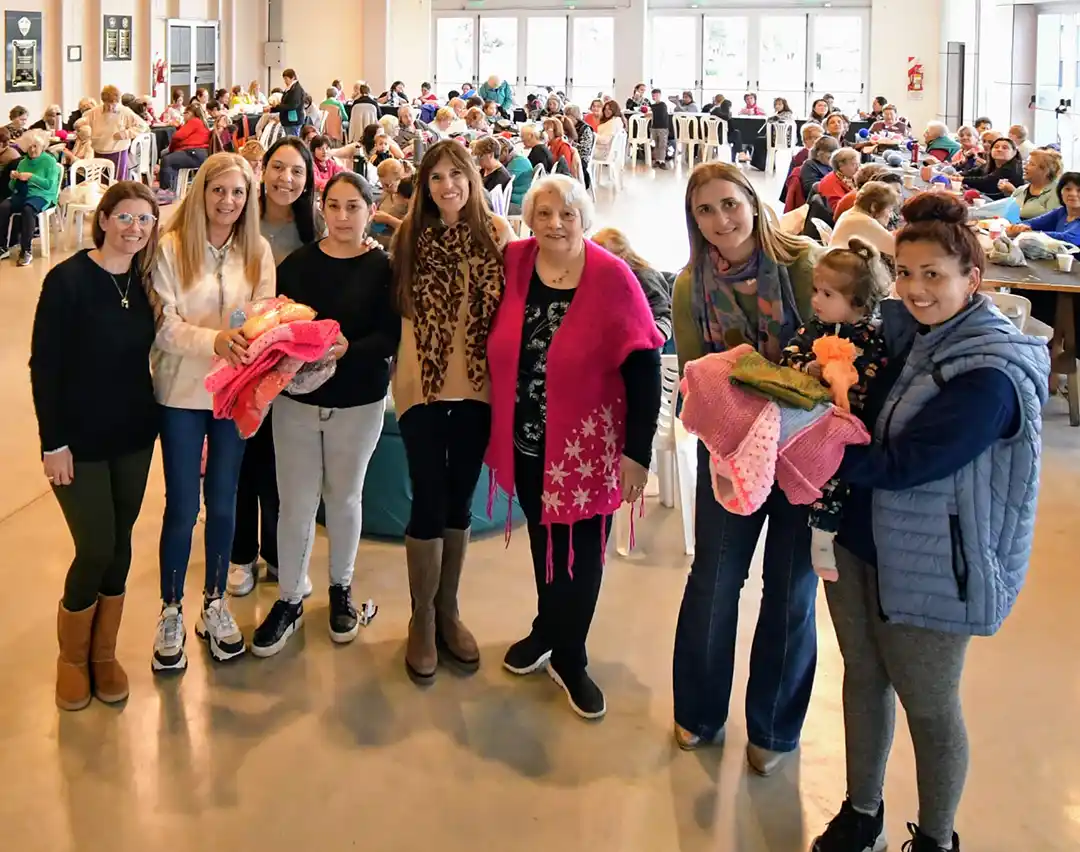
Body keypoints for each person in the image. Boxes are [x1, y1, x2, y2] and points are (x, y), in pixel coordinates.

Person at [811, 192, 1048, 852]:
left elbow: (909, 461)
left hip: (932, 567)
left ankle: (938, 838)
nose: (917, 290)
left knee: (930, 706)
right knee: (862, 679)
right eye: (906, 273)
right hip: (859, 543)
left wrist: (812, 445)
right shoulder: (907, 333)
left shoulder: (988, 373)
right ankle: (863, 811)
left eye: (934, 275)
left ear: (973, 279)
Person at [487, 176, 662, 718]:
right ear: (529, 219)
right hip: (529, 436)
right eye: (543, 214)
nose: (555, 224)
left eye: (567, 214)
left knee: (582, 551)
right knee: (544, 538)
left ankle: (571, 652)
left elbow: (645, 366)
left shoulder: (612, 278)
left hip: (590, 445)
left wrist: (638, 451)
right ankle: (547, 627)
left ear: (584, 217)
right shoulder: (517, 262)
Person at [671, 161, 819, 773]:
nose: (721, 221)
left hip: (805, 451)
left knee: (790, 589)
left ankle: (774, 730)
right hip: (732, 450)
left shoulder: (803, 264)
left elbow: (840, 350)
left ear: (752, 201)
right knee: (714, 579)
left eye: (729, 204)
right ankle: (700, 711)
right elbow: (695, 384)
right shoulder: (689, 286)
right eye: (705, 211)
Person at [251, 172, 397, 656]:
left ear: (370, 213)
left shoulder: (383, 270)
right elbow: (277, 325)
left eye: (353, 207)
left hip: (358, 401)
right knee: (295, 503)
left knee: (344, 498)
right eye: (333, 206)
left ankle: (341, 588)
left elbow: (390, 337)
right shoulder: (296, 266)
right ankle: (290, 597)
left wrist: (349, 347)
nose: (341, 217)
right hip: (296, 402)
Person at [31, 181, 160, 710]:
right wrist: (52, 442)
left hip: (133, 432)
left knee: (122, 542)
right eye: (125, 217)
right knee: (96, 547)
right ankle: (71, 658)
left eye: (145, 220)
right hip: (77, 440)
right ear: (103, 219)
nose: (135, 228)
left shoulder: (148, 283)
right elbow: (45, 367)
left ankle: (102, 655)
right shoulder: (67, 282)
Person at [389, 139, 514, 686]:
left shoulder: (498, 236)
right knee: (428, 493)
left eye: (456, 176)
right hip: (422, 384)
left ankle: (447, 609)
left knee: (460, 495)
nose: (448, 187)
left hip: (479, 385)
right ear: (425, 185)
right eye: (436, 177)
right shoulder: (408, 237)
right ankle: (420, 616)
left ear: (472, 178)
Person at [149, 152, 276, 671]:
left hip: (232, 396)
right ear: (201, 192)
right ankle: (171, 608)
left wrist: (250, 342)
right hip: (180, 395)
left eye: (238, 193)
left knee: (223, 503)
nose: (228, 201)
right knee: (183, 505)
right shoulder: (170, 247)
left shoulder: (257, 250)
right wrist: (217, 340)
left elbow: (266, 314)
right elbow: (165, 326)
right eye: (218, 190)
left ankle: (214, 602)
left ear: (249, 201)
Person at [226, 137, 324, 598]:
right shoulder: (242, 219)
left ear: (308, 180)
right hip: (243, 356)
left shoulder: (315, 228)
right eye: (279, 168)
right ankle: (241, 554)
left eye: (297, 172)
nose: (287, 179)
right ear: (262, 171)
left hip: (289, 364)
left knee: (283, 466)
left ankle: (278, 555)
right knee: (244, 459)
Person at [777, 238, 891, 582]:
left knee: (835, 483)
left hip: (849, 425)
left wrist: (848, 375)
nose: (815, 300)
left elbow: (876, 375)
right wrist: (807, 367)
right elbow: (788, 356)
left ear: (855, 301)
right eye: (815, 290)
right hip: (806, 418)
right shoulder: (813, 329)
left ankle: (822, 539)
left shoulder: (872, 335)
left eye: (827, 294)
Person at [592, 226, 673, 340]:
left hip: (667, 330)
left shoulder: (644, 277)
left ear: (622, 257)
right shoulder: (605, 282)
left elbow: (663, 316)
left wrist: (650, 345)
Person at [0, 130, 61, 266]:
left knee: (28, 209)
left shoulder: (49, 161)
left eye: (35, 146)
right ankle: (3, 246)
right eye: (29, 147)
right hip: (24, 194)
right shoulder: (23, 162)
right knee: (3, 207)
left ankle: (26, 250)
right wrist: (14, 178)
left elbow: (49, 185)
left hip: (44, 196)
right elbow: (13, 188)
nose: (32, 150)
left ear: (42, 146)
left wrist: (31, 177)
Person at [77, 85, 149, 180]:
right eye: (107, 104)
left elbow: (142, 126)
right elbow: (82, 121)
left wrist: (126, 134)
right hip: (99, 150)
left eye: (113, 104)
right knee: (101, 181)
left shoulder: (125, 111)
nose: (110, 107)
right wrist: (80, 126)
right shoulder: (95, 111)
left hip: (117, 150)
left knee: (116, 180)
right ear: (103, 101)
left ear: (117, 101)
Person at [1007, 171, 1080, 243]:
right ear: (1061, 192)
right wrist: (1019, 227)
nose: (1073, 193)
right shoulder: (1061, 212)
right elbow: (1032, 222)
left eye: (1079, 190)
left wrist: (1029, 233)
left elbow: (1069, 238)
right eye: (1068, 189)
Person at [831, 182, 901, 257]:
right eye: (889, 210)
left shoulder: (850, 214)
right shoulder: (864, 221)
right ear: (874, 207)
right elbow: (897, 250)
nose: (890, 215)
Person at [999, 148, 1063, 219]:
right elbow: (1005, 214)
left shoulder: (1057, 193)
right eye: (1026, 163)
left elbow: (1052, 221)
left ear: (1046, 170)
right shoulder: (1019, 190)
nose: (1025, 167)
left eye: (1031, 164)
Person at [159, 104, 211, 192]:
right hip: (198, 154)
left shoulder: (194, 121)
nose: (184, 115)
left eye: (185, 113)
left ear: (190, 113)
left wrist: (171, 149)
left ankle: (167, 191)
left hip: (193, 153)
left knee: (167, 160)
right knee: (169, 157)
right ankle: (172, 189)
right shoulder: (199, 122)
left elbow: (177, 136)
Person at [371, 158, 410, 249]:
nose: (384, 189)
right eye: (381, 185)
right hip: (380, 239)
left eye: (387, 185)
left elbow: (412, 229)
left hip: (397, 244)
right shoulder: (387, 193)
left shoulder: (408, 198)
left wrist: (388, 219)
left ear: (401, 179)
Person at [816, 147, 860, 213]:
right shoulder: (830, 183)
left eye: (858, 164)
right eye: (854, 164)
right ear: (841, 166)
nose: (858, 168)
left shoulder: (848, 178)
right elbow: (837, 211)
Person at [498, 136, 533, 211]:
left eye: (497, 155)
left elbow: (501, 183)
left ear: (505, 151)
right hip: (517, 196)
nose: (496, 159)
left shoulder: (518, 162)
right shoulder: (515, 157)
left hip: (519, 201)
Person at [800, 135, 840, 200]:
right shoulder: (810, 165)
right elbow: (810, 188)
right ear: (818, 152)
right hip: (820, 203)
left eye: (835, 152)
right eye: (829, 151)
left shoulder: (834, 165)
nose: (833, 155)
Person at [270, 68, 307, 136]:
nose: (285, 81)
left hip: (293, 121)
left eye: (286, 79)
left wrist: (277, 106)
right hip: (289, 121)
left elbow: (293, 105)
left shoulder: (296, 89)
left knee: (292, 142)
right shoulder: (291, 88)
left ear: (292, 77)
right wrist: (272, 109)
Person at [563, 104, 596, 181]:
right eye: (564, 114)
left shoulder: (585, 129)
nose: (565, 117)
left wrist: (570, 143)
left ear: (575, 116)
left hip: (581, 158)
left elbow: (585, 149)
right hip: (568, 154)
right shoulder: (566, 126)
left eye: (568, 115)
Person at [649, 88, 670, 168]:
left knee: (662, 144)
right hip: (654, 127)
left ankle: (662, 161)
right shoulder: (652, 106)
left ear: (660, 95)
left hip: (662, 128)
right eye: (653, 95)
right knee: (657, 144)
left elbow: (657, 112)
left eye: (656, 95)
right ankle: (658, 160)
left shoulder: (662, 105)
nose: (654, 97)